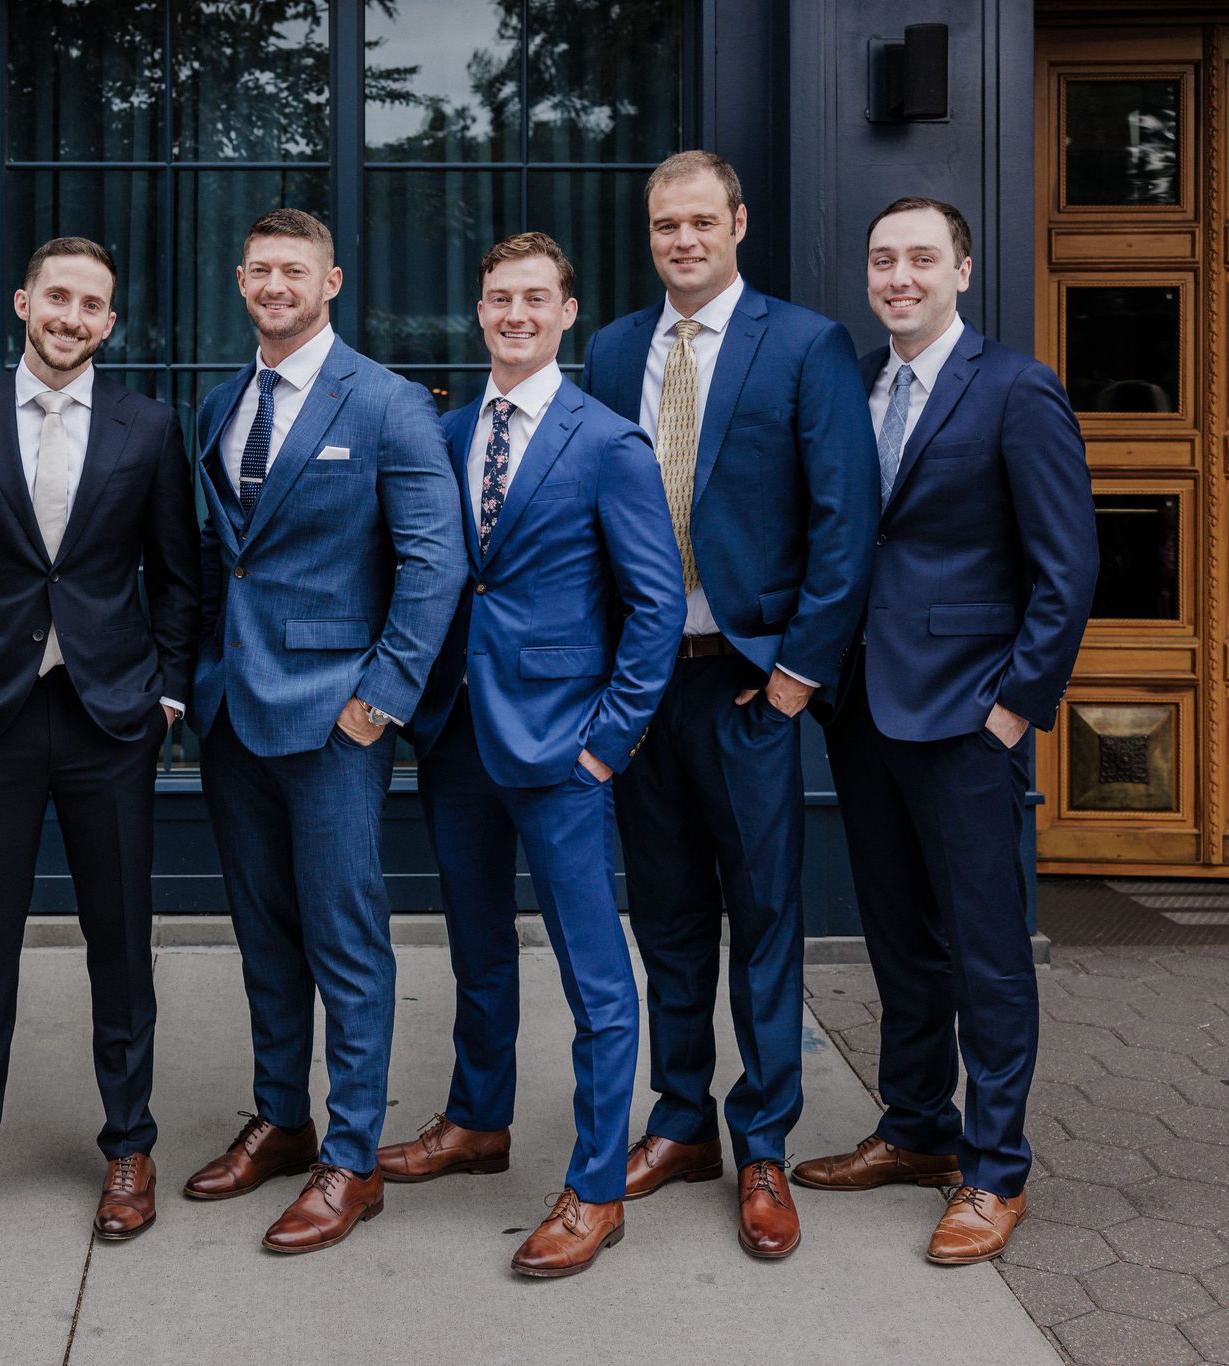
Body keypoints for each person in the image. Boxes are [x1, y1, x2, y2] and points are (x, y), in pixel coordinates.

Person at [580, 150, 877, 1259]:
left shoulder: (801, 346)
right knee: (662, 916)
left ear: (738, 223)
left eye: (701, 220)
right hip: (643, 684)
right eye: (665, 224)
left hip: (751, 680)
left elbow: (843, 520)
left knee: (759, 917)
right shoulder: (612, 350)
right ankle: (677, 1121)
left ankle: (759, 1141)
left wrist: (798, 673)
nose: (682, 240)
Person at [792, 197, 1096, 1265]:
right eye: (882, 259)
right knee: (898, 941)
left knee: (983, 953)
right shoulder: (856, 384)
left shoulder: (1013, 388)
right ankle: (913, 1127)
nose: (898, 275)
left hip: (965, 715)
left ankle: (993, 1166)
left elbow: (1066, 571)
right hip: (861, 710)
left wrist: (1013, 706)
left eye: (921, 258)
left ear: (961, 271)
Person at [386, 232, 684, 1278]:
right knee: (472, 947)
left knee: (596, 976)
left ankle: (595, 1185)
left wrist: (605, 745)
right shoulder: (448, 427)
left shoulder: (606, 442)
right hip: (456, 733)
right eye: (496, 298)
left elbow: (653, 609)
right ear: (479, 313)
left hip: (562, 747)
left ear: (566, 314)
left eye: (532, 299)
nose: (512, 313)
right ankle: (477, 1119)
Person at [182, 207, 465, 1255]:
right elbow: (224, 559)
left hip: (337, 720)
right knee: (264, 935)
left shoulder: (388, 404)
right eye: (257, 268)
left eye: (291, 269)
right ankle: (281, 1117)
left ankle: (351, 1156)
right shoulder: (219, 401)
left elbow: (433, 565)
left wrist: (378, 698)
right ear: (242, 280)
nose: (272, 284)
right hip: (231, 713)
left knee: (346, 943)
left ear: (330, 280)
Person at [0, 236, 199, 1239]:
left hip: (109, 714)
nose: (71, 316)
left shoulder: (149, 426)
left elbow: (177, 573)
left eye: (92, 304)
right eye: (56, 296)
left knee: (118, 942)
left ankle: (129, 1145)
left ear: (109, 323)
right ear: (24, 301)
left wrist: (164, 692)